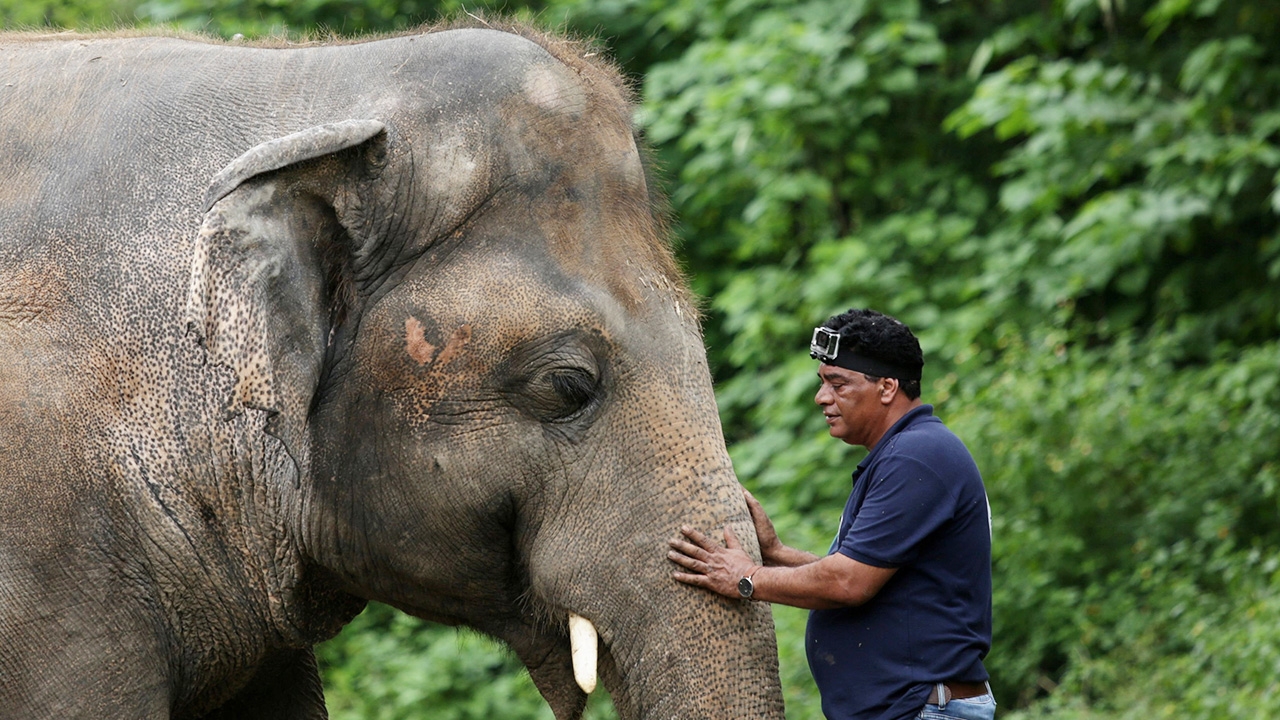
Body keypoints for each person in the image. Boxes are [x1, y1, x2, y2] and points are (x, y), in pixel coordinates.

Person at [668, 308, 995, 720]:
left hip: (922, 710)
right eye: (822, 383)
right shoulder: (906, 453)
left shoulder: (917, 456)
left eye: (838, 384)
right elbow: (874, 581)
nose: (822, 398)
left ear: (888, 387)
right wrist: (778, 553)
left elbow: (848, 583)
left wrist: (745, 579)